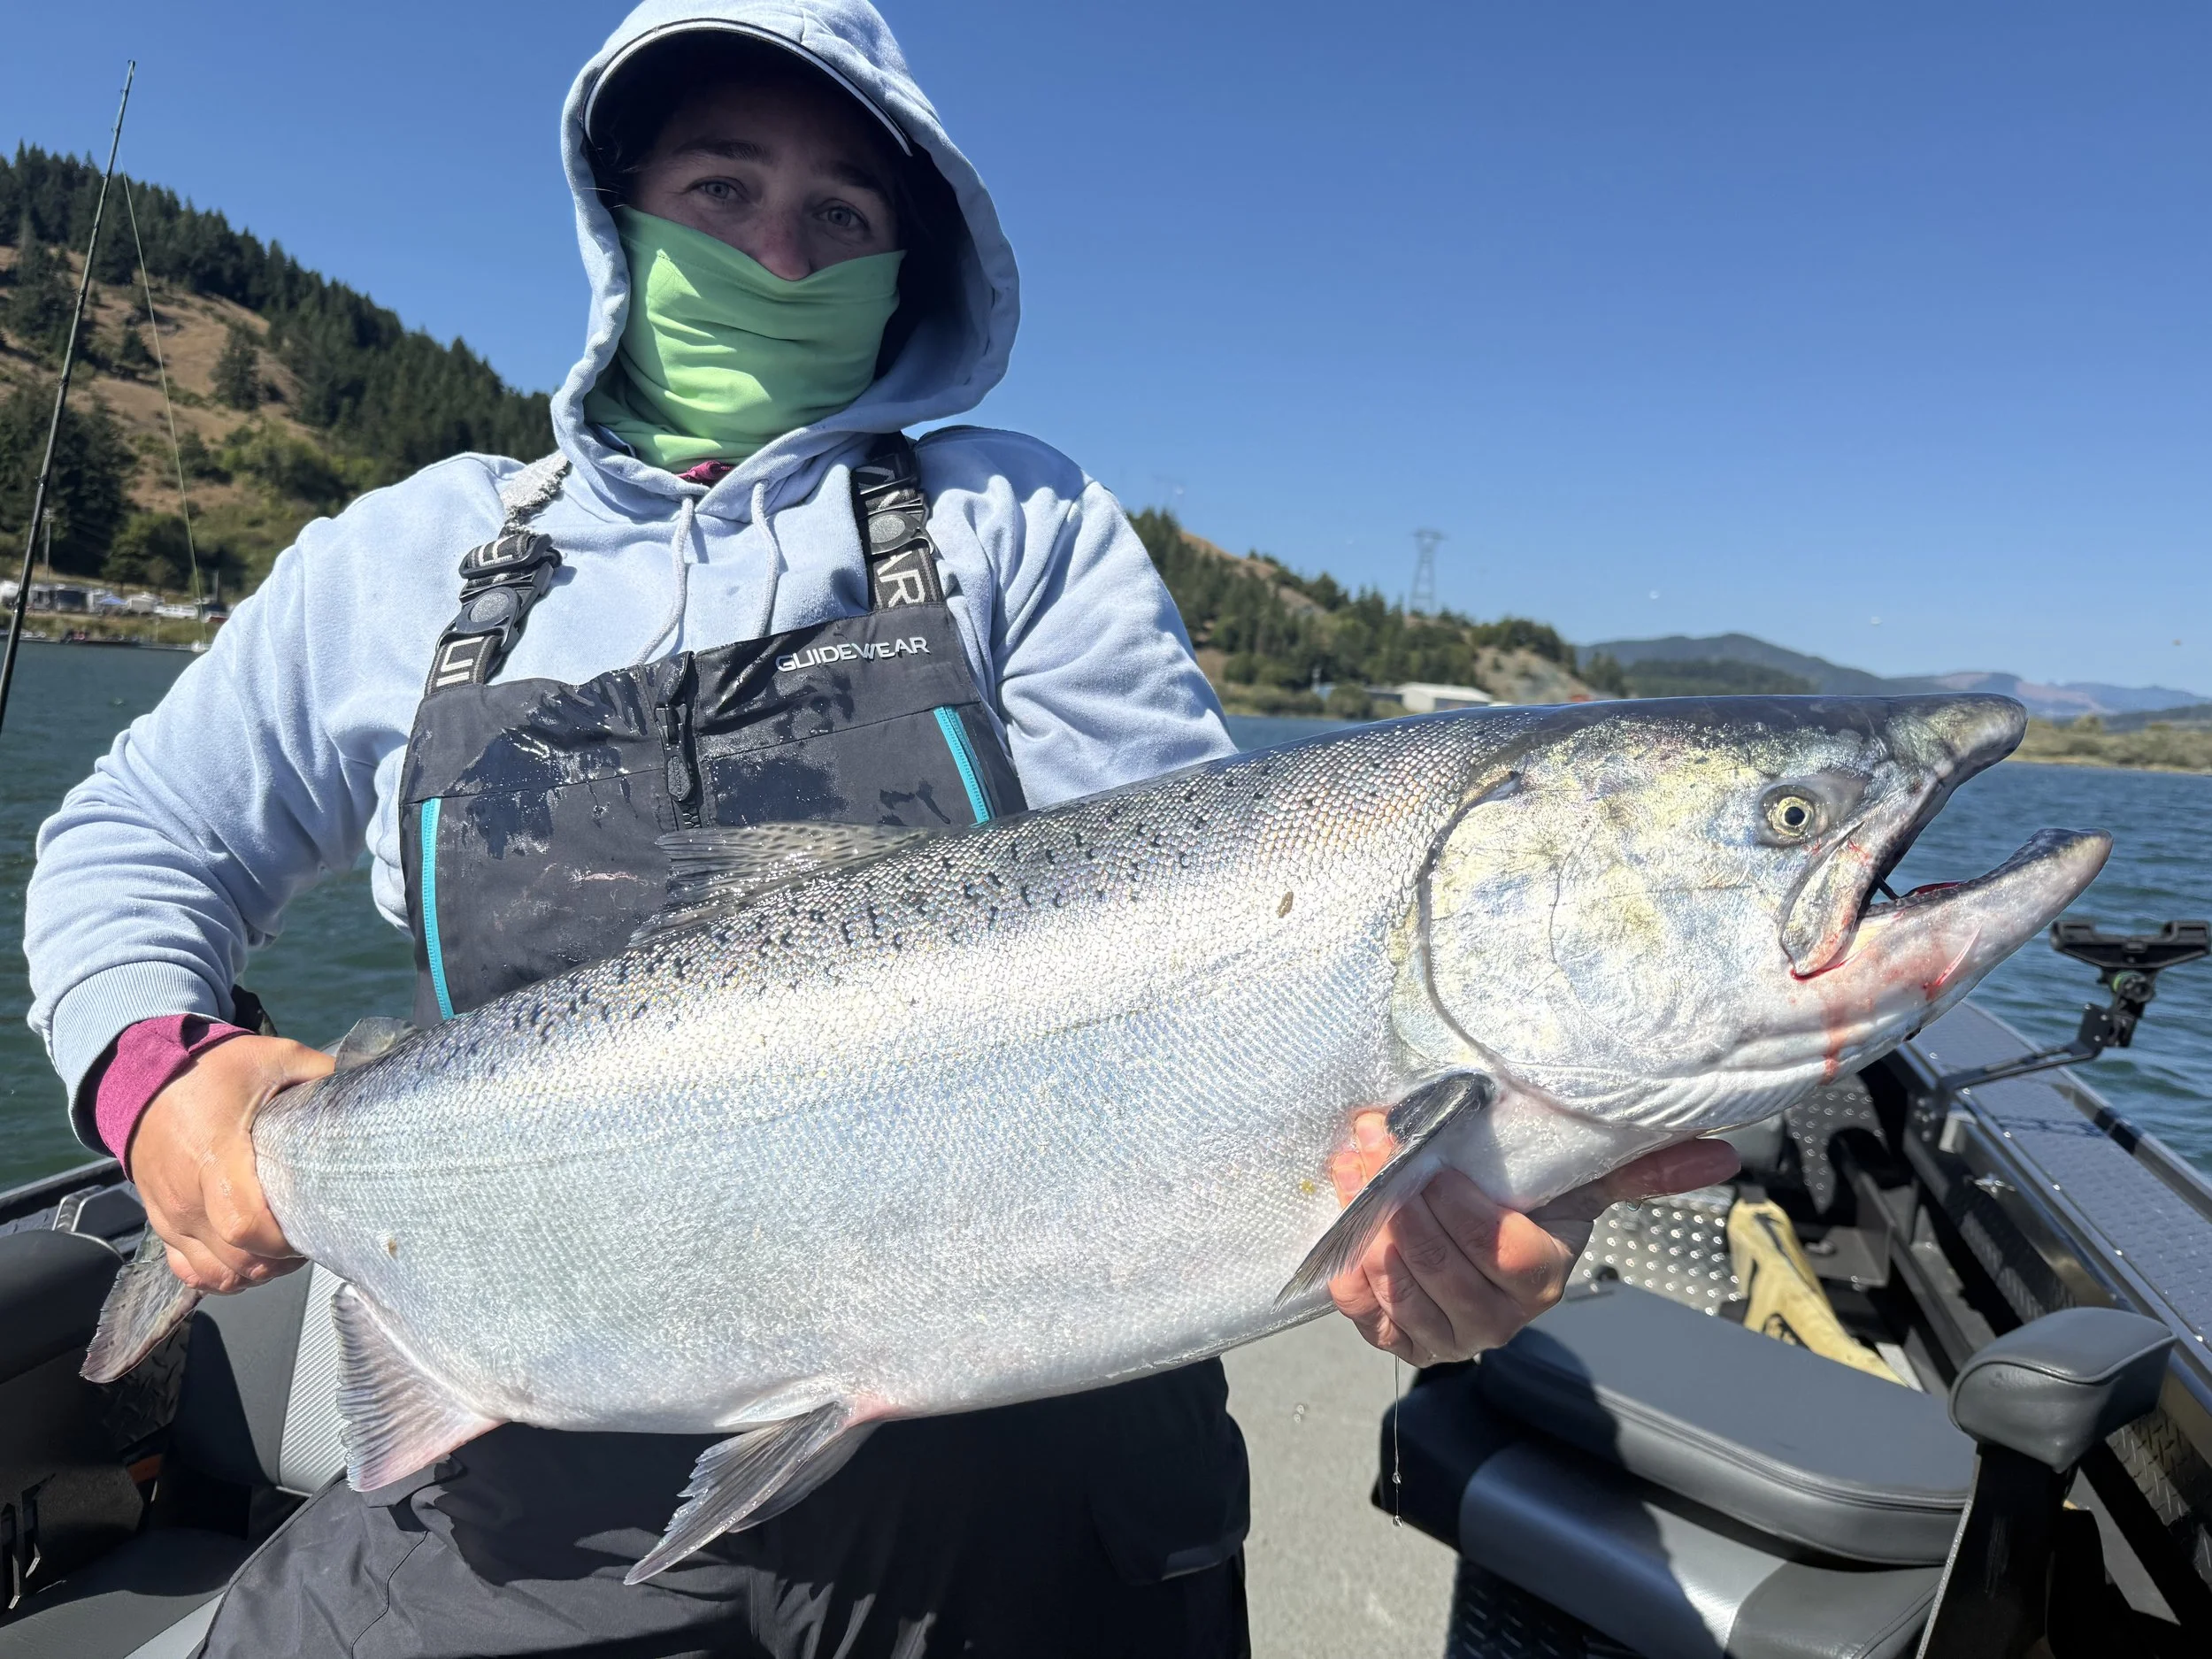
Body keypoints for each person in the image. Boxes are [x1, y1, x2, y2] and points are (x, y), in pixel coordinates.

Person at [25, 4, 1736, 1654]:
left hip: (1040, 1511)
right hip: (531, 1503)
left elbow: (1235, 932)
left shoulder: (1021, 527)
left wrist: (1422, 1191)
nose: (780, 251)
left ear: (906, 268)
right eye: (722, 187)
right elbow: (131, 842)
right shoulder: (394, 567)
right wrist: (159, 1075)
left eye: (840, 212)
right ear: (619, 213)